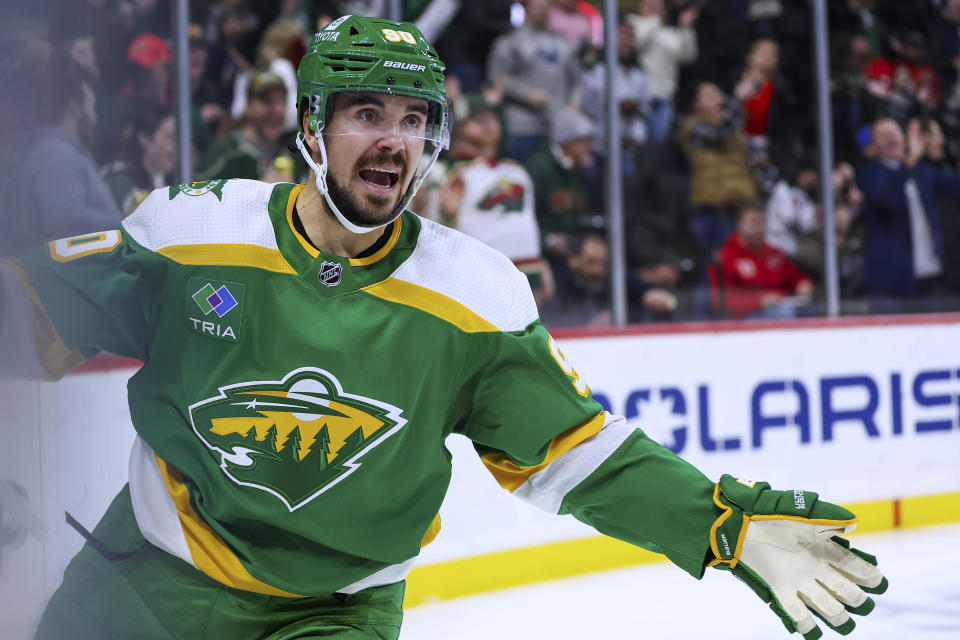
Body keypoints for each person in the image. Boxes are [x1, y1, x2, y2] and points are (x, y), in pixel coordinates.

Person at [2, 16, 886, 640]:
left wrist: (721, 527)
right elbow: (30, 314)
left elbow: (577, 454)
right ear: (313, 127)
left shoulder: (474, 296)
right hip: (145, 579)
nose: (395, 141)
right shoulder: (194, 233)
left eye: (415, 121)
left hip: (331, 616)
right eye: (367, 114)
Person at [439, 94, 554, 303]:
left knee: (531, 333)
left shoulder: (516, 169)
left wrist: (542, 261)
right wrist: (447, 217)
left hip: (530, 267)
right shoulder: (449, 172)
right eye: (480, 120)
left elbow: (526, 221)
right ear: (461, 125)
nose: (490, 125)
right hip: (480, 273)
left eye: (494, 119)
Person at [1, 59, 122, 257]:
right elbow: (65, 220)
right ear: (75, 107)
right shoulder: (55, 155)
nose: (95, 112)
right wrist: (121, 223)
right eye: (90, 101)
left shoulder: (59, 151)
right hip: (55, 281)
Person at [858, 117, 960, 312]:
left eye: (894, 133)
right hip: (889, 285)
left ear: (904, 138)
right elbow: (889, 199)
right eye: (883, 135)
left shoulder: (922, 172)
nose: (891, 139)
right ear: (874, 146)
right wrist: (909, 161)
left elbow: (954, 187)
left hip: (929, 279)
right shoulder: (871, 174)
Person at [487, 0, 582, 163]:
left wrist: (575, 103)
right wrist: (526, 93)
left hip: (557, 126)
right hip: (522, 125)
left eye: (546, 6)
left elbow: (577, 80)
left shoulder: (563, 43)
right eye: (538, 6)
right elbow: (496, 77)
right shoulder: (511, 40)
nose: (542, 10)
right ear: (527, 8)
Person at [710, 200, 815, 319]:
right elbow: (720, 301)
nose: (759, 228)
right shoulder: (725, 257)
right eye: (754, 222)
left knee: (808, 310)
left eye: (762, 222)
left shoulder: (774, 253)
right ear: (739, 224)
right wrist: (758, 302)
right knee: (781, 313)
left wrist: (802, 284)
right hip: (747, 319)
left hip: (782, 308)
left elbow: (795, 276)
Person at [197, 70, 298, 182]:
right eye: (266, 101)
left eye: (280, 101)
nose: (275, 109)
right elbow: (195, 193)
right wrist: (258, 193)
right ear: (248, 107)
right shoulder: (226, 153)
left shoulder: (295, 150)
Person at [626, 0, 699, 143]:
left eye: (658, 5)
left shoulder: (670, 32)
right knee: (635, 141)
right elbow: (637, 44)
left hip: (664, 95)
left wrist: (686, 28)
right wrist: (654, 20)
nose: (654, 8)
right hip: (640, 95)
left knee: (657, 142)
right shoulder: (633, 22)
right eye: (649, 4)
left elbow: (688, 56)